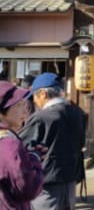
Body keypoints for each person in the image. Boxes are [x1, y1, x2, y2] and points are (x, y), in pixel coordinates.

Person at [19, 72, 86, 210]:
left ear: (43, 94)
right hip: (70, 179)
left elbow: (19, 147)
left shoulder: (41, 117)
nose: (35, 102)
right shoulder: (77, 112)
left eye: (35, 97)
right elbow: (81, 143)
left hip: (47, 183)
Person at [0, 81, 44, 210]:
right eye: (18, 106)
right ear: (2, 113)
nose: (25, 113)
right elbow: (27, 188)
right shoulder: (9, 144)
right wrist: (34, 158)